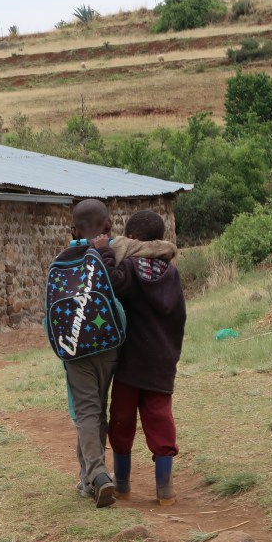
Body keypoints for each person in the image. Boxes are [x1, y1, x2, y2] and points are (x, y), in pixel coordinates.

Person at [106, 210, 185, 506]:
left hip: (130, 364)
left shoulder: (128, 267)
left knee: (122, 422)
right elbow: (179, 319)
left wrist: (104, 252)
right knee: (161, 421)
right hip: (161, 362)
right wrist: (171, 356)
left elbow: (111, 284)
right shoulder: (172, 274)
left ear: (134, 238)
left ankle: (122, 486)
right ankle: (165, 490)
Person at [48, 198, 121, 508]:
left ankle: (96, 475)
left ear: (73, 229)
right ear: (108, 225)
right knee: (97, 408)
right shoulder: (113, 253)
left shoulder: (61, 260)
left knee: (86, 411)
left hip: (74, 348)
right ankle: (89, 476)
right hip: (109, 343)